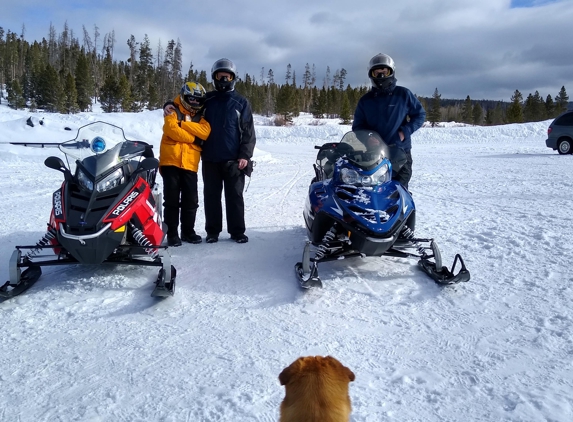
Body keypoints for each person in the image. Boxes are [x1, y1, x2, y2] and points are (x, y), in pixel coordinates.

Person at [165, 58, 256, 244]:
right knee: (211, 197)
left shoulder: (241, 102)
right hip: (210, 158)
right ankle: (212, 231)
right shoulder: (208, 100)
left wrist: (245, 155)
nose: (223, 80)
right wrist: (168, 104)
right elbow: (187, 103)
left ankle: (237, 231)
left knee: (235, 196)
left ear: (232, 78)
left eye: (226, 77)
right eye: (219, 76)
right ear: (214, 78)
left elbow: (248, 131)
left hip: (233, 159)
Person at [352, 53, 426, 190]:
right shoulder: (365, 101)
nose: (381, 76)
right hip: (374, 154)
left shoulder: (403, 95)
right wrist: (368, 138)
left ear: (391, 72)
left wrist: (406, 131)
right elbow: (358, 126)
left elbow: (420, 115)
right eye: (377, 73)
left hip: (400, 152)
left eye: (384, 72)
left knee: (399, 192)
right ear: (371, 74)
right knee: (373, 192)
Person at [160, 81, 211, 246]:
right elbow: (170, 129)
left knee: (191, 200)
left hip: (190, 163)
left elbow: (205, 132)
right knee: (171, 200)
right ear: (184, 96)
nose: (195, 102)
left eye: (198, 100)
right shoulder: (172, 109)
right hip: (171, 161)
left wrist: (183, 124)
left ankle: (188, 231)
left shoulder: (201, 115)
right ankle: (172, 234)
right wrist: (194, 138)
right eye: (192, 99)